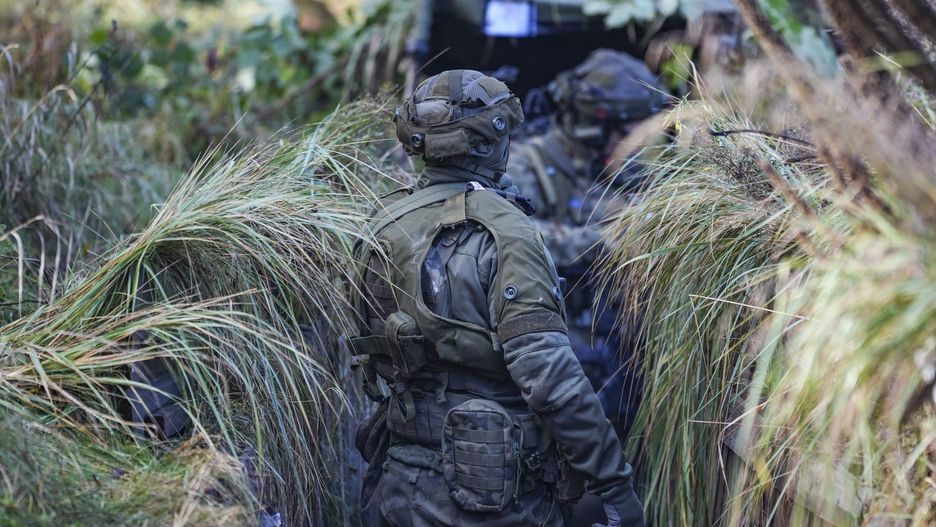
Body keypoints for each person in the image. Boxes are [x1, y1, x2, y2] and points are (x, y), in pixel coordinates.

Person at [346, 69, 644, 527]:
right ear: (491, 140)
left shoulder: (382, 220)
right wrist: (614, 484)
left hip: (396, 477)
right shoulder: (505, 231)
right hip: (489, 491)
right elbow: (549, 376)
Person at [507, 50, 667, 433]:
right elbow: (514, 238)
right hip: (558, 344)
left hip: (622, 344)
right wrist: (604, 241)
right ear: (594, 124)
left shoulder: (625, 168)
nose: (634, 142)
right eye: (627, 131)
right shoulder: (526, 164)